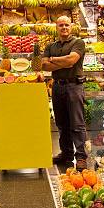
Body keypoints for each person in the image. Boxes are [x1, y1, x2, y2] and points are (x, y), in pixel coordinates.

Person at [41, 16, 88, 170]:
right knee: (61, 123)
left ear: (71, 26)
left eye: (66, 25)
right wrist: (63, 62)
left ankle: (80, 156)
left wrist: (53, 60)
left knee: (77, 123)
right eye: (61, 25)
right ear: (56, 27)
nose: (64, 27)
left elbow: (72, 61)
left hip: (74, 86)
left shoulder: (78, 43)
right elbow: (44, 66)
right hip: (57, 87)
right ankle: (66, 153)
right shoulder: (50, 45)